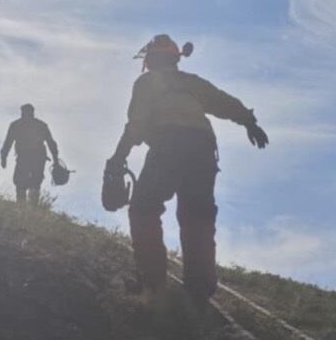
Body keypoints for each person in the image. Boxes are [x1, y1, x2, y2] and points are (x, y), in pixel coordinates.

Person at [107, 34, 268, 302]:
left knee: (144, 209)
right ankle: (200, 288)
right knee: (197, 217)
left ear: (150, 60)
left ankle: (153, 283)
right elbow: (223, 102)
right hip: (203, 152)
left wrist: (117, 158)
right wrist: (249, 122)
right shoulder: (191, 83)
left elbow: (136, 125)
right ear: (174, 58)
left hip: (168, 147)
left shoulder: (146, 83)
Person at [0, 104, 60, 206]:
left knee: (30, 183)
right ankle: (25, 207)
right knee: (25, 183)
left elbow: (51, 143)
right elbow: (8, 142)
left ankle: (26, 208)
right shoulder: (38, 125)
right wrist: (3, 157)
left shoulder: (18, 125)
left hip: (32, 158)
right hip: (31, 158)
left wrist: (4, 157)